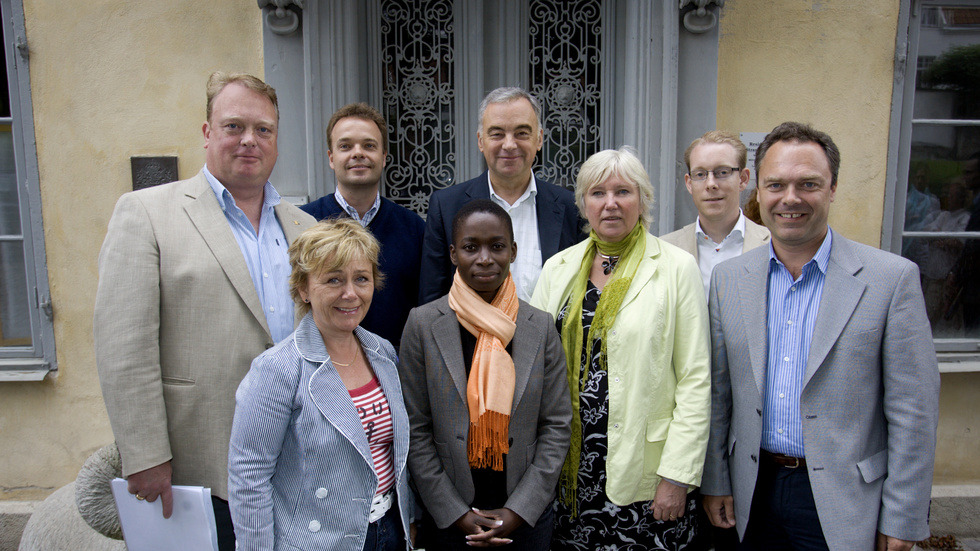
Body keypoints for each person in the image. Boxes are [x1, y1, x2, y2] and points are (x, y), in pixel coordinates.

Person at [94, 72, 316, 550]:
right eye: (234, 126)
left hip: (295, 462)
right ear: (207, 132)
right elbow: (124, 350)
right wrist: (145, 455)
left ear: (277, 140)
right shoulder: (147, 213)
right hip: (199, 464)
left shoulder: (304, 226)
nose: (249, 140)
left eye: (263, 129)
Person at [701, 122, 940, 551]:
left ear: (832, 188)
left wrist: (903, 516)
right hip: (752, 491)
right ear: (758, 189)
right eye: (776, 184)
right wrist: (716, 479)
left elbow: (913, 413)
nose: (790, 198)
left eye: (808, 184)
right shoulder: (729, 279)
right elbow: (720, 395)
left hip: (845, 500)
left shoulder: (891, 280)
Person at [531, 147, 711, 550]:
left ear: (642, 200)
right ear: (584, 204)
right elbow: (534, 367)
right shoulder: (557, 268)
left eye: (623, 192)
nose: (610, 203)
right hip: (569, 473)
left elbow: (695, 379)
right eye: (598, 193)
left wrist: (677, 476)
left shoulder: (677, 268)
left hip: (647, 474)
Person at [229, 219, 412, 550]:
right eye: (333, 280)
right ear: (303, 289)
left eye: (361, 279)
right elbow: (249, 477)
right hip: (320, 539)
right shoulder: (277, 370)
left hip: (388, 531)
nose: (350, 293)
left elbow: (394, 454)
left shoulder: (382, 352)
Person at [400, 200, 571, 550]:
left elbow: (556, 425)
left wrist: (519, 510)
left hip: (525, 519)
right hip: (449, 519)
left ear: (513, 251)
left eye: (496, 246)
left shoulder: (539, 327)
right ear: (453, 253)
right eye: (470, 247)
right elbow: (415, 429)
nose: (484, 258)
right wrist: (455, 512)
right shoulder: (423, 324)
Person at [419, 87, 584, 304]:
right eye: (497, 134)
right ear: (480, 141)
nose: (509, 144)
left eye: (521, 133)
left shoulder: (571, 207)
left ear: (539, 139)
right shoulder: (446, 206)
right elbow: (432, 301)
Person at [301, 103, 424, 349]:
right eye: (346, 146)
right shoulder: (305, 223)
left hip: (395, 365)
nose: (358, 153)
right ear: (331, 158)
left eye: (369, 146)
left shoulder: (414, 228)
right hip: (321, 363)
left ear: (384, 157)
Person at [661, 130, 770, 298]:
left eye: (723, 172)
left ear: (743, 179)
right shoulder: (664, 250)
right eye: (700, 174)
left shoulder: (772, 245)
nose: (711, 184)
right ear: (689, 183)